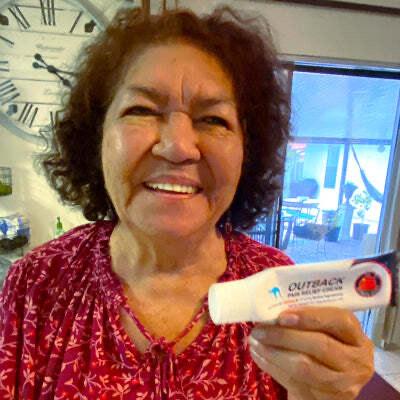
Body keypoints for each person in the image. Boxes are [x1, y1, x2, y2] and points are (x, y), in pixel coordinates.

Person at [0, 6, 374, 400]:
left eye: (214, 120)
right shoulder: (36, 284)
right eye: (141, 110)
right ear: (96, 139)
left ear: (248, 151)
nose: (178, 147)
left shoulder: (278, 286)